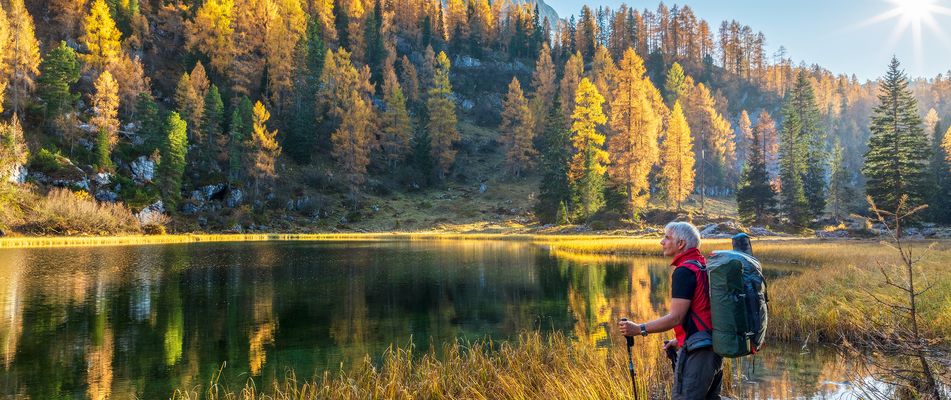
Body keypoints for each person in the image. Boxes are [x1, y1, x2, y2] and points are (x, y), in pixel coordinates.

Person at [618, 221, 723, 400]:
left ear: (680, 244)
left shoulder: (684, 271)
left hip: (699, 353)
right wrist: (680, 339)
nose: (662, 242)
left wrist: (639, 329)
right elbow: (702, 310)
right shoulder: (701, 265)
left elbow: (676, 318)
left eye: (667, 237)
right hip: (712, 348)